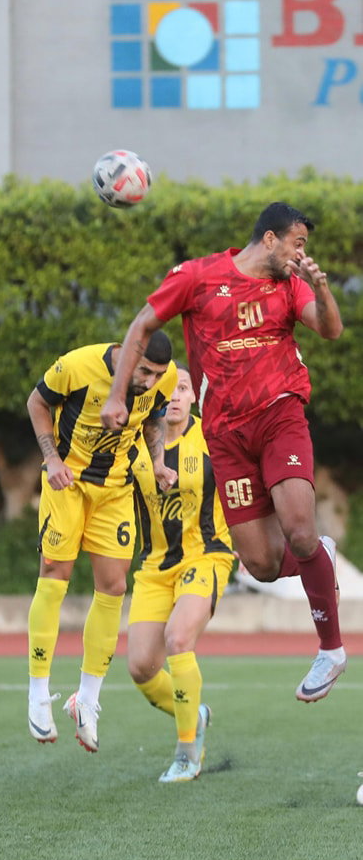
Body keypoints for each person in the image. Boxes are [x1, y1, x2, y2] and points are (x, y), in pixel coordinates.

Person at [102, 202, 346, 702]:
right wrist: (116, 395)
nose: (302, 254)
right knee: (261, 563)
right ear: (271, 239)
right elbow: (141, 326)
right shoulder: (198, 277)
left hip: (279, 416)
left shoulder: (291, 284)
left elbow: (330, 329)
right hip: (227, 436)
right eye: (298, 244)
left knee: (300, 528)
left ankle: (331, 648)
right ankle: (318, 559)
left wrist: (320, 288)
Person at [26, 333, 178, 752]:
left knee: (113, 586)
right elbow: (36, 403)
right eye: (144, 371)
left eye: (158, 374)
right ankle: (38, 692)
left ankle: (87, 700)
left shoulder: (162, 380)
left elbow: (155, 418)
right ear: (128, 352)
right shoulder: (78, 365)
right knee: (55, 574)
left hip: (115, 489)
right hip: (68, 482)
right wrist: (51, 459)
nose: (150, 381)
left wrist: (159, 462)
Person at [128, 364, 235, 782]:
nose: (174, 395)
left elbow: (247, 482)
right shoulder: (136, 443)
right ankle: (195, 713)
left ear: (194, 397)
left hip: (205, 556)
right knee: (141, 668)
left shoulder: (213, 438)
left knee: (178, 638)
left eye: (183, 388)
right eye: (167, 388)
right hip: (155, 566)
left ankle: (188, 752)